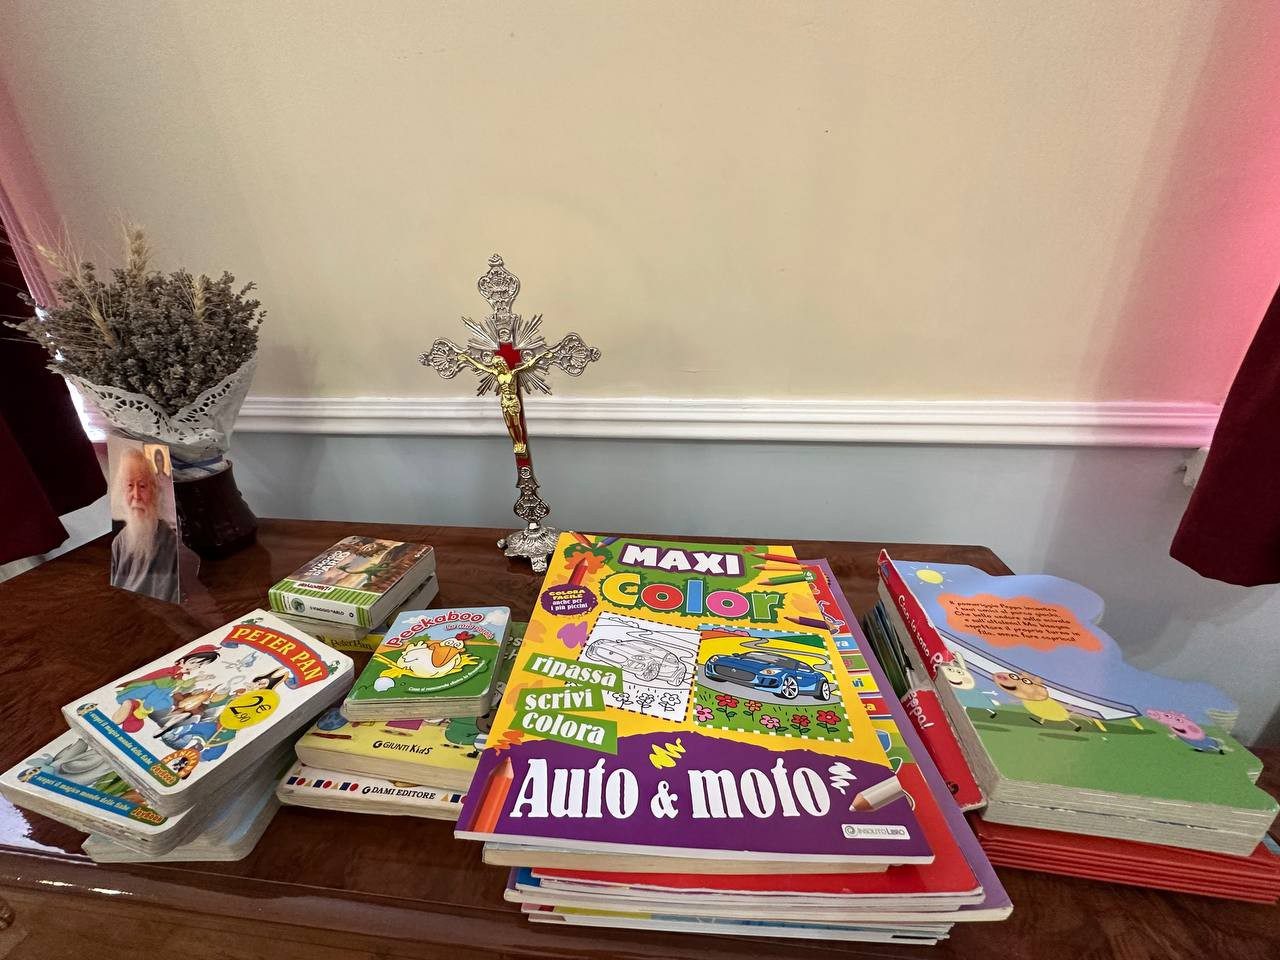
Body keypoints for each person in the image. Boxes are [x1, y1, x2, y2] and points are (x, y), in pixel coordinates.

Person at [110, 446, 180, 602]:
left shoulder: (172, 544)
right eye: (129, 485)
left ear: (154, 491)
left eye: (142, 486)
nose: (136, 495)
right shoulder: (118, 544)